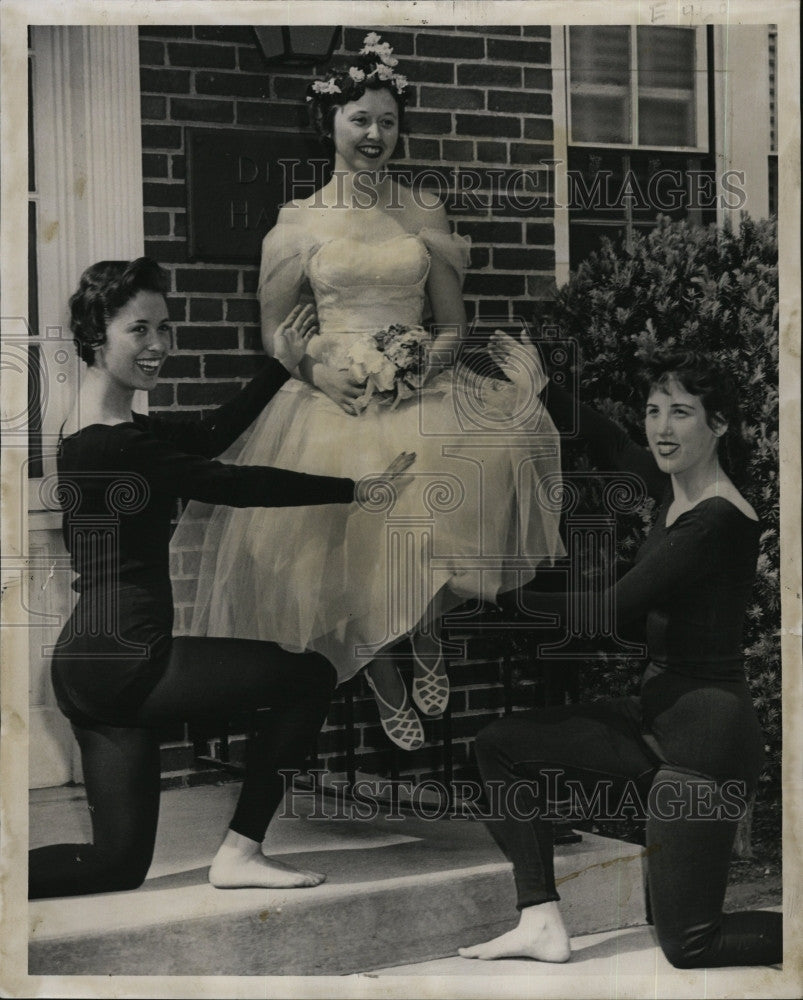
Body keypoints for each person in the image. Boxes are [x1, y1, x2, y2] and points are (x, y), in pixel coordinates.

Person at [174, 34, 563, 751]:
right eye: (360, 119)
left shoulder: (422, 215)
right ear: (329, 124)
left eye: (387, 121)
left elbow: (451, 325)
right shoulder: (297, 225)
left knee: (433, 528)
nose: (374, 135)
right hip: (333, 407)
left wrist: (419, 363)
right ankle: (383, 677)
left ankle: (424, 640)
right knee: (345, 553)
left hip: (420, 397)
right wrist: (321, 370)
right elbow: (277, 337)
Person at [28, 257, 413, 899]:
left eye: (166, 328)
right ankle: (242, 852)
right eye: (139, 330)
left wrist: (280, 367)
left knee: (115, 866)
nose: (159, 346)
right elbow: (236, 483)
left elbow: (210, 434)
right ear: (97, 336)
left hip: (88, 668)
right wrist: (354, 488)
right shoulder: (118, 447)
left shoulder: (94, 437)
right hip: (127, 664)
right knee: (308, 675)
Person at [458, 335, 782, 968]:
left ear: (718, 425)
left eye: (681, 413)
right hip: (652, 726)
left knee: (690, 944)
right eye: (654, 409)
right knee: (501, 745)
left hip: (702, 756)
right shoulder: (677, 490)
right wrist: (539, 387)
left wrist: (492, 592)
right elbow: (612, 445)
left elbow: (606, 612)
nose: (661, 428)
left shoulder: (715, 521)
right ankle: (541, 920)